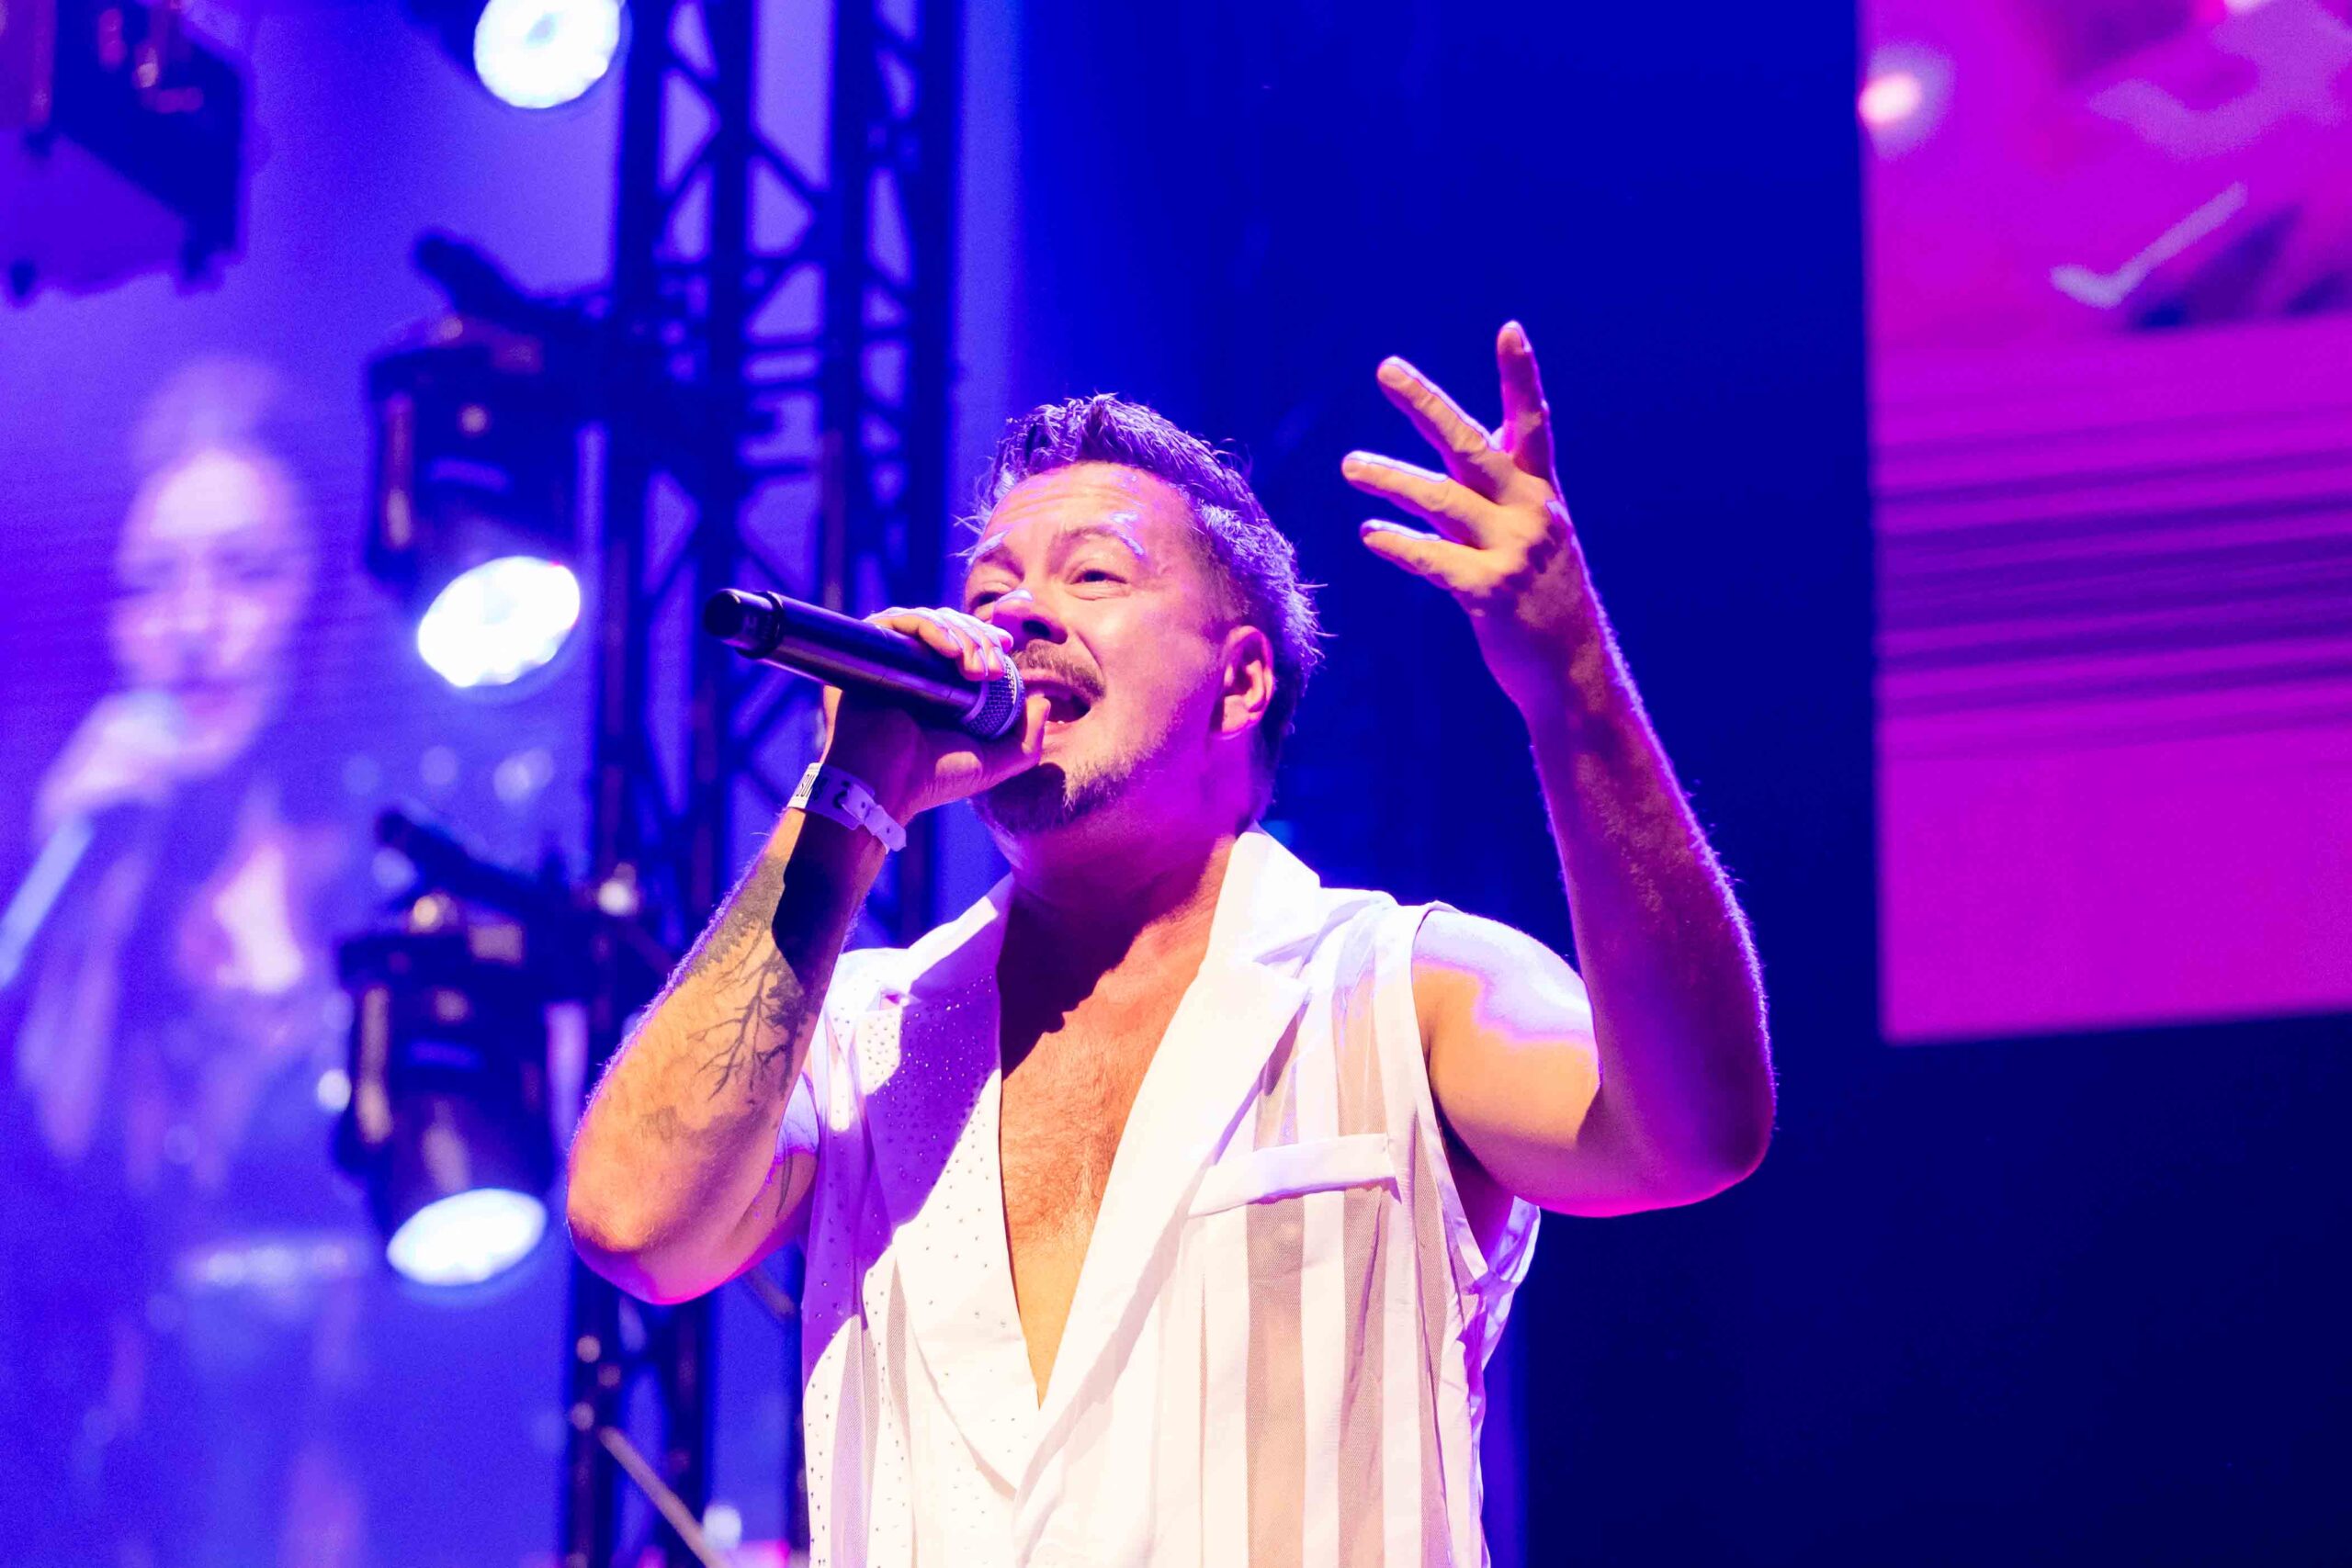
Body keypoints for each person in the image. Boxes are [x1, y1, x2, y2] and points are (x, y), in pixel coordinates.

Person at [567, 324, 1775, 1565]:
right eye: (988, 592)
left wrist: (1574, 679)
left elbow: (1692, 1134)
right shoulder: (864, 1037)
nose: (1016, 613)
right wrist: (848, 795)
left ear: (1240, 682)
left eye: (1093, 575)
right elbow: (634, 1223)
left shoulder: (1401, 988)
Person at [0, 371, 371, 1568]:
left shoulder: (382, 842)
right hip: (148, 1466)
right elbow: (59, 1147)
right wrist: (77, 877)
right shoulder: (112, 855)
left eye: (246, 573)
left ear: (315, 601)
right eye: (152, 585)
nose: (195, 624)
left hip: (360, 1440)